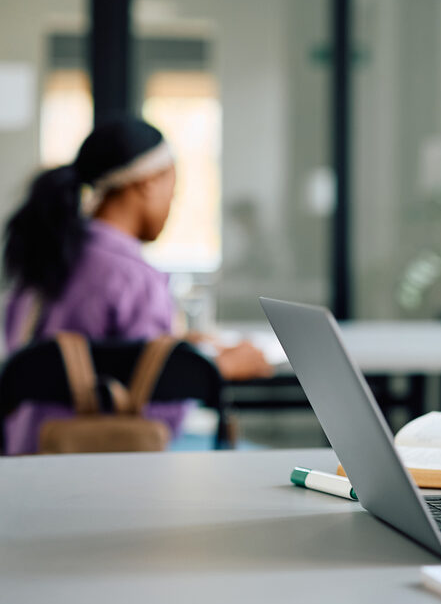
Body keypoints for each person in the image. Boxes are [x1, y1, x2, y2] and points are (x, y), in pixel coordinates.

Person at [2, 115, 271, 454]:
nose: (173, 204)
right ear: (147, 183)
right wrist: (214, 369)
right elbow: (157, 420)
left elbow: (53, 361)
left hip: (22, 457)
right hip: (97, 465)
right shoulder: (135, 278)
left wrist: (177, 350)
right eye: (173, 188)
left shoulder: (45, 258)